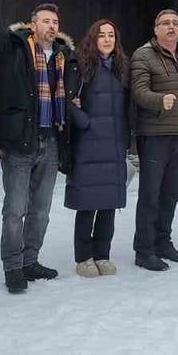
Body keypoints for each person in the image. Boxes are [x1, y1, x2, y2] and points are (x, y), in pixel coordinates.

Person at [0, 0, 75, 293]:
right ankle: (13, 267)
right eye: (46, 21)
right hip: (21, 143)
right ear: (33, 25)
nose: (52, 26)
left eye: (55, 22)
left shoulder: (64, 58)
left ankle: (31, 260)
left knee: (42, 211)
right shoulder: (14, 48)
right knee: (14, 210)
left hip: (50, 143)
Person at [65, 20, 131, 278]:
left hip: (114, 144)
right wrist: (85, 121)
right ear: (93, 39)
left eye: (111, 35)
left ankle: (103, 254)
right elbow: (67, 100)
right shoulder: (80, 65)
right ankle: (84, 257)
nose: (106, 39)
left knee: (108, 204)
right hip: (88, 143)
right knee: (87, 203)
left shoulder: (122, 68)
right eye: (101, 35)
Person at [131, 9, 178, 271]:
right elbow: (139, 90)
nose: (171, 27)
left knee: (171, 193)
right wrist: (160, 100)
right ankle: (144, 250)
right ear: (155, 29)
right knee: (150, 195)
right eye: (165, 23)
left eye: (175, 23)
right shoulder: (143, 55)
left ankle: (163, 242)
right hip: (154, 135)